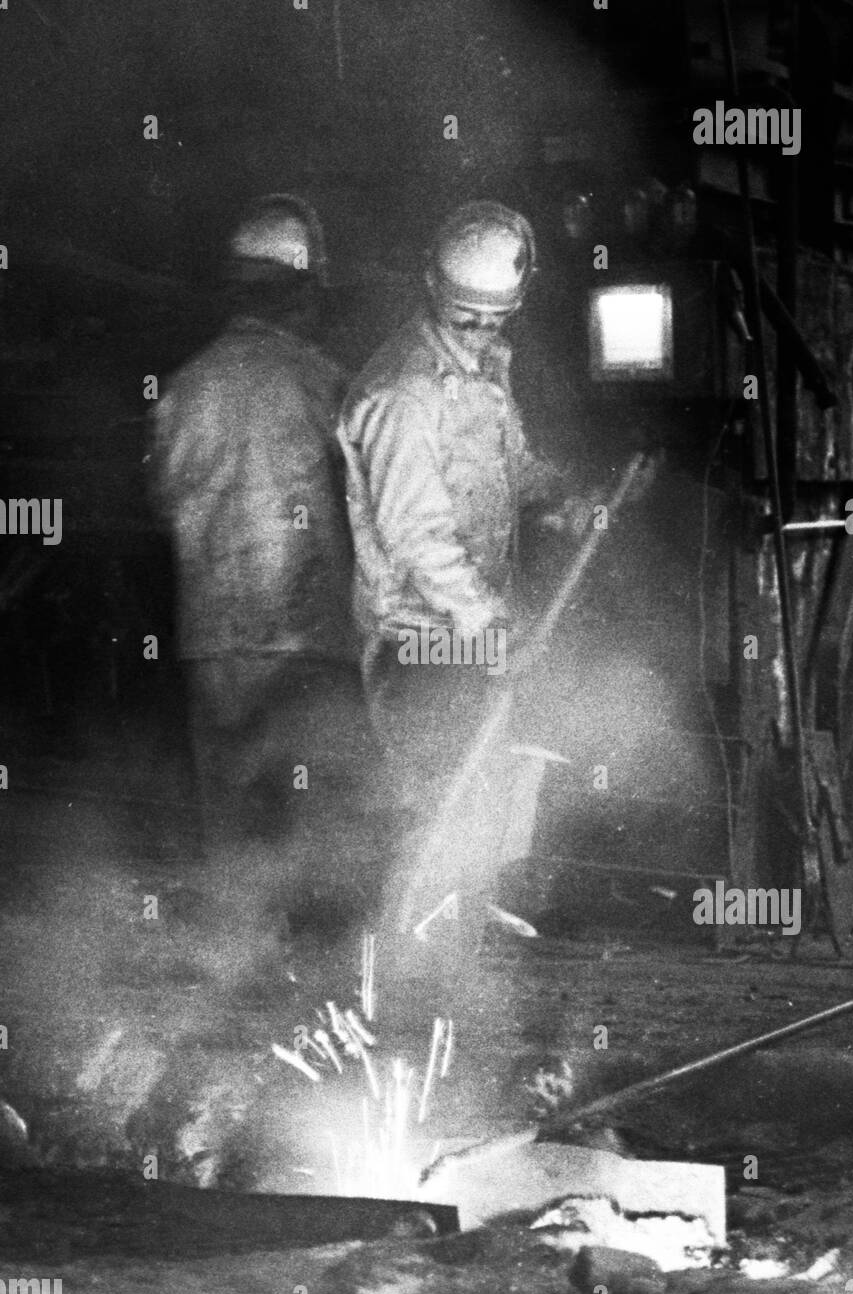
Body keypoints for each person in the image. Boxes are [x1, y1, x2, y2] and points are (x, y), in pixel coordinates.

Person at [338, 201, 591, 945]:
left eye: (494, 319)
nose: (480, 331)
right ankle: (401, 961)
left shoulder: (480, 370)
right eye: (467, 319)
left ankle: (458, 942)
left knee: (483, 785)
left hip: (471, 631)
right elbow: (416, 536)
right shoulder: (401, 394)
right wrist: (487, 621)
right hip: (420, 640)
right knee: (436, 797)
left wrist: (568, 500)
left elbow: (504, 470)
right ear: (429, 286)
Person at [153, 195, 371, 930]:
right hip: (309, 634)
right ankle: (321, 974)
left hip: (215, 638)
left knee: (234, 809)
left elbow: (164, 498)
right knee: (315, 806)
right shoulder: (324, 384)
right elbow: (366, 507)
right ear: (302, 289)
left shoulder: (182, 389)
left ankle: (239, 964)